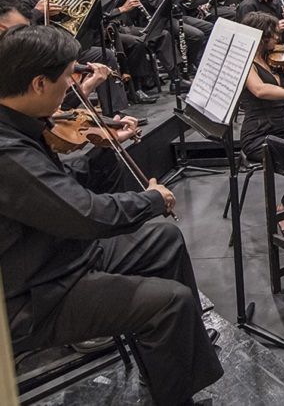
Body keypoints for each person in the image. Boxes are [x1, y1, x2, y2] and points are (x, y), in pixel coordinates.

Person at [0, 24, 223, 406]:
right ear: (38, 83)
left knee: (163, 240)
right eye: (67, 76)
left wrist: (104, 148)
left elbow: (62, 190)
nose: (73, 87)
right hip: (35, 293)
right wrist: (152, 199)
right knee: (170, 301)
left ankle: (175, 365)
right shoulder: (8, 153)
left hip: (58, 251)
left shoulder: (21, 123)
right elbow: (84, 213)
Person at [239, 12, 284, 238]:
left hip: (282, 129)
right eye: (274, 35)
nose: (278, 39)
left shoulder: (273, 59)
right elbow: (261, 90)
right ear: (261, 36)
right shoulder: (247, 63)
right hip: (258, 136)